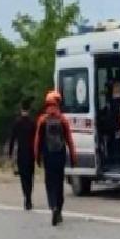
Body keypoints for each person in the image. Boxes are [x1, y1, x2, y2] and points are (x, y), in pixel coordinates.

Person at [34, 90, 77, 225]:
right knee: (59, 183)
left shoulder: (42, 120)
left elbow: (37, 141)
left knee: (49, 183)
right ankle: (59, 209)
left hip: (48, 155)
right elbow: (69, 139)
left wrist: (37, 157)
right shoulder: (62, 119)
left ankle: (53, 206)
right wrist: (74, 157)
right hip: (60, 155)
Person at [7, 99, 37, 210]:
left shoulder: (17, 123)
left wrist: (10, 153)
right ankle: (29, 197)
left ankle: (26, 197)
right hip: (30, 153)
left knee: (23, 176)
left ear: (21, 109)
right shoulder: (32, 123)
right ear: (29, 109)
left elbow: (12, 139)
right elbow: (37, 139)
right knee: (30, 176)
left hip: (21, 153)